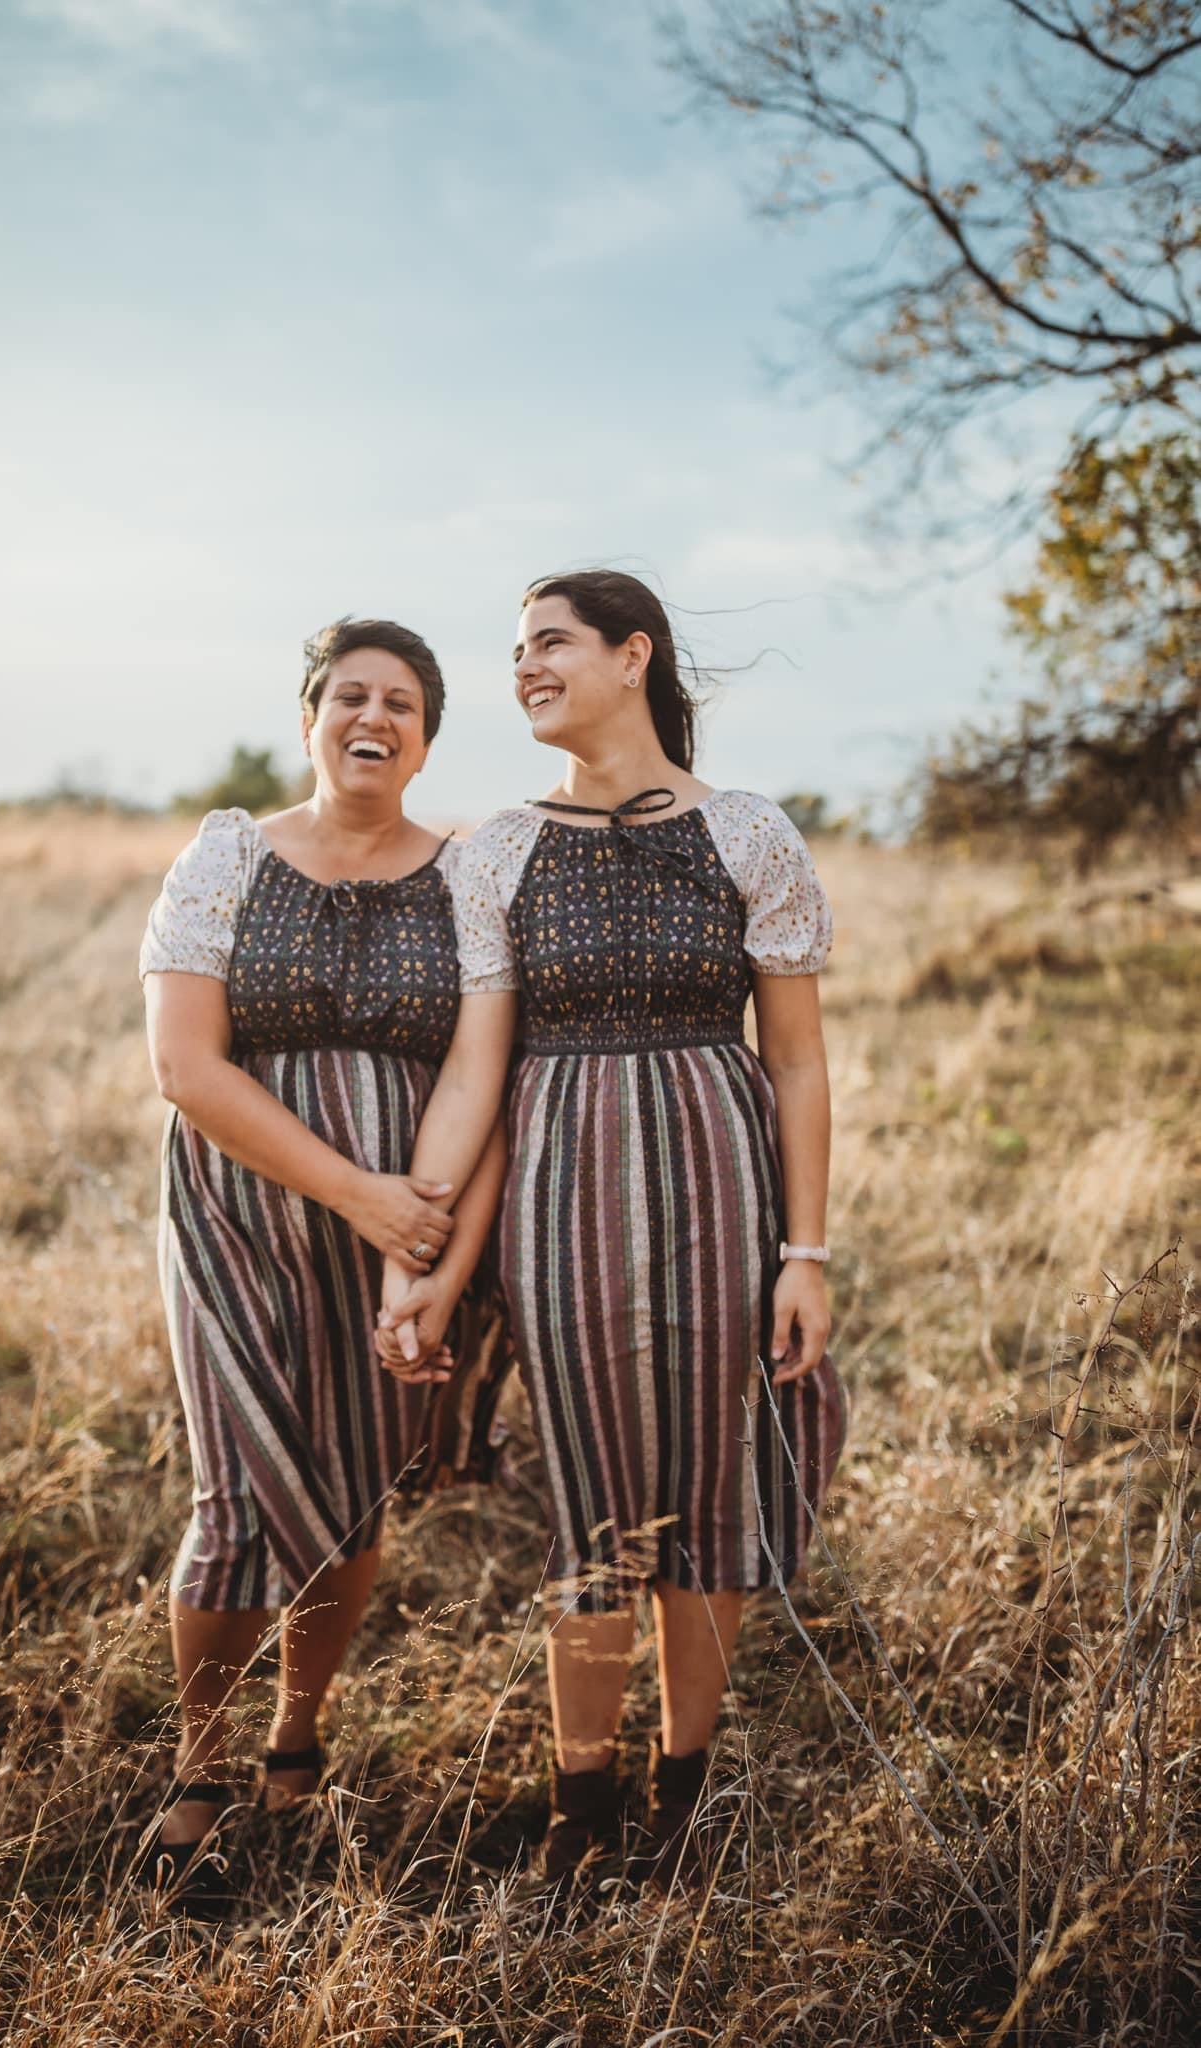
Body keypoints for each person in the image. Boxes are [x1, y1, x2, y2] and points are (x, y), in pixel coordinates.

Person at [377, 569, 844, 1891]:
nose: (523, 667)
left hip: (720, 1177)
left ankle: (681, 1789)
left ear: (631, 655)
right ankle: (581, 1801)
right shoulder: (496, 849)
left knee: (709, 1486)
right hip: (561, 1189)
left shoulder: (749, 832)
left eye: (548, 644)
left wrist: (804, 1253)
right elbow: (477, 1069)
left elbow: (798, 1063)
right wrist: (413, 1245)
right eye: (514, 650)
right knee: (589, 1494)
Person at [139, 616, 506, 1899]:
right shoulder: (230, 854)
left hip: (400, 1232)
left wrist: (419, 1235)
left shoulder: (468, 877)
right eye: (351, 693)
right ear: (311, 717)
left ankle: (298, 1727)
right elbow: (186, 1065)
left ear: (425, 735)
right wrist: (356, 1192)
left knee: (353, 1491)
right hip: (242, 1210)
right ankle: (202, 1761)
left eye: (403, 701)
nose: (376, 715)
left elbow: (485, 1068)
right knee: (235, 1493)